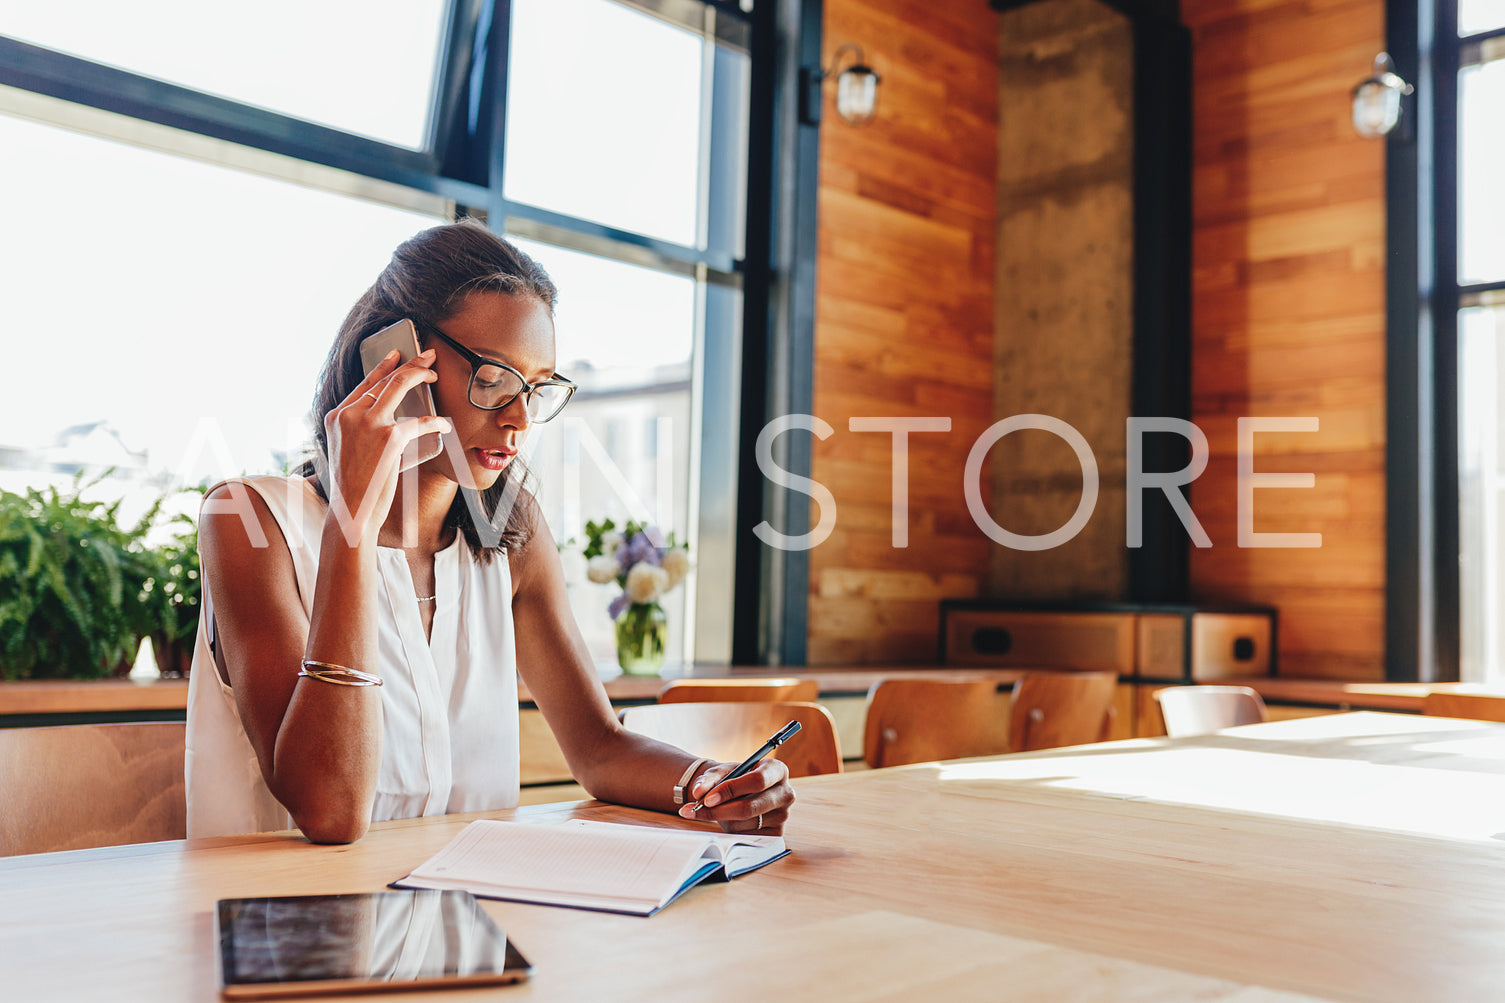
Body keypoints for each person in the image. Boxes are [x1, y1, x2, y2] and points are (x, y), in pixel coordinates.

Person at [184, 220, 794, 843]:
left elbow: (600, 749)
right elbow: (329, 809)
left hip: (466, 928)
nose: (519, 418)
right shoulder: (250, 521)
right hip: (294, 928)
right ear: (393, 358)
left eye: (536, 388)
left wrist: (709, 783)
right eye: (494, 379)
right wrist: (353, 522)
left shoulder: (513, 529)